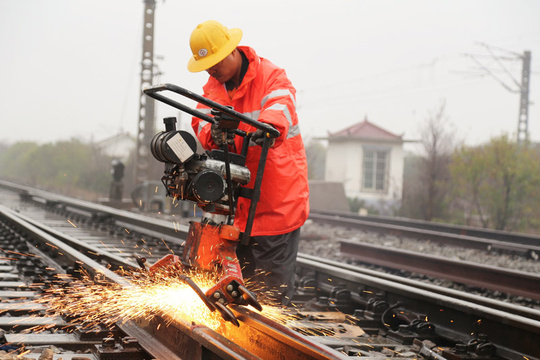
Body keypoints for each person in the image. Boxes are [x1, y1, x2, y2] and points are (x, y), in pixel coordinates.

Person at [187, 20, 310, 306]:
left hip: (275, 204)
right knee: (237, 289)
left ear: (232, 51)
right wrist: (212, 132)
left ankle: (269, 344)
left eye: (215, 62)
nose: (211, 69)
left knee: (269, 294)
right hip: (238, 209)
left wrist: (266, 126)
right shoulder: (214, 88)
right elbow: (201, 119)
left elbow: (281, 105)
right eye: (206, 65)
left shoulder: (271, 76)